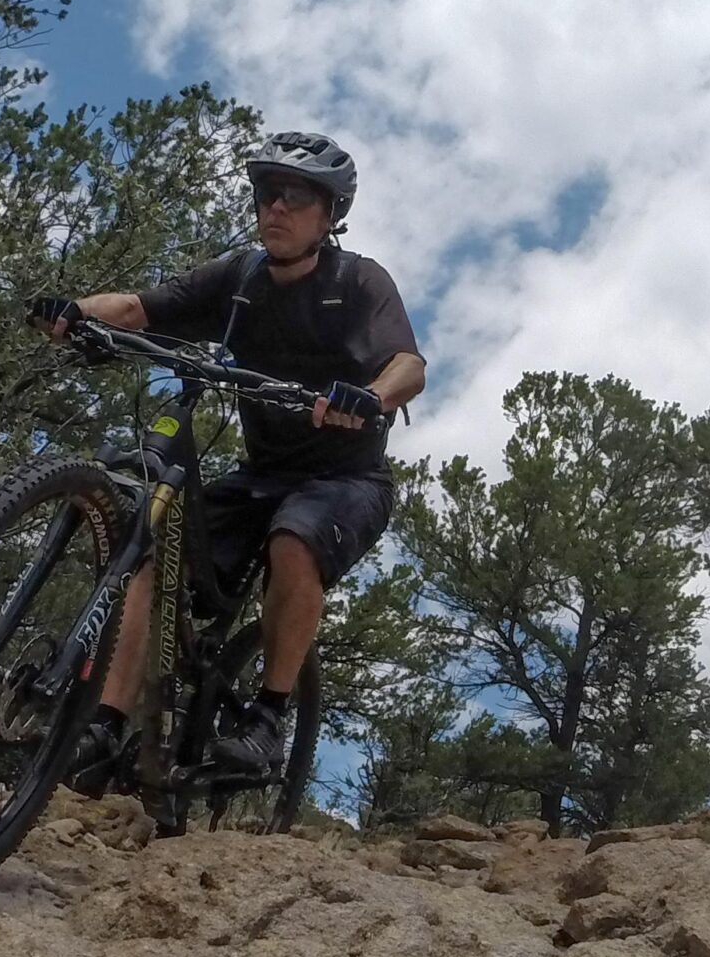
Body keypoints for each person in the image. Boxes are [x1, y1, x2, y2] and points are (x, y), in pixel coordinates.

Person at [29, 132, 426, 777]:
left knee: (294, 540)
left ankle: (268, 716)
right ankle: (107, 722)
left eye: (295, 197)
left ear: (331, 215)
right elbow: (136, 308)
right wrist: (73, 312)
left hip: (345, 477)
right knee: (150, 554)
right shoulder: (240, 279)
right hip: (260, 473)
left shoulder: (356, 282)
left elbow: (408, 364)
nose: (276, 208)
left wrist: (372, 397)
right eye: (267, 193)